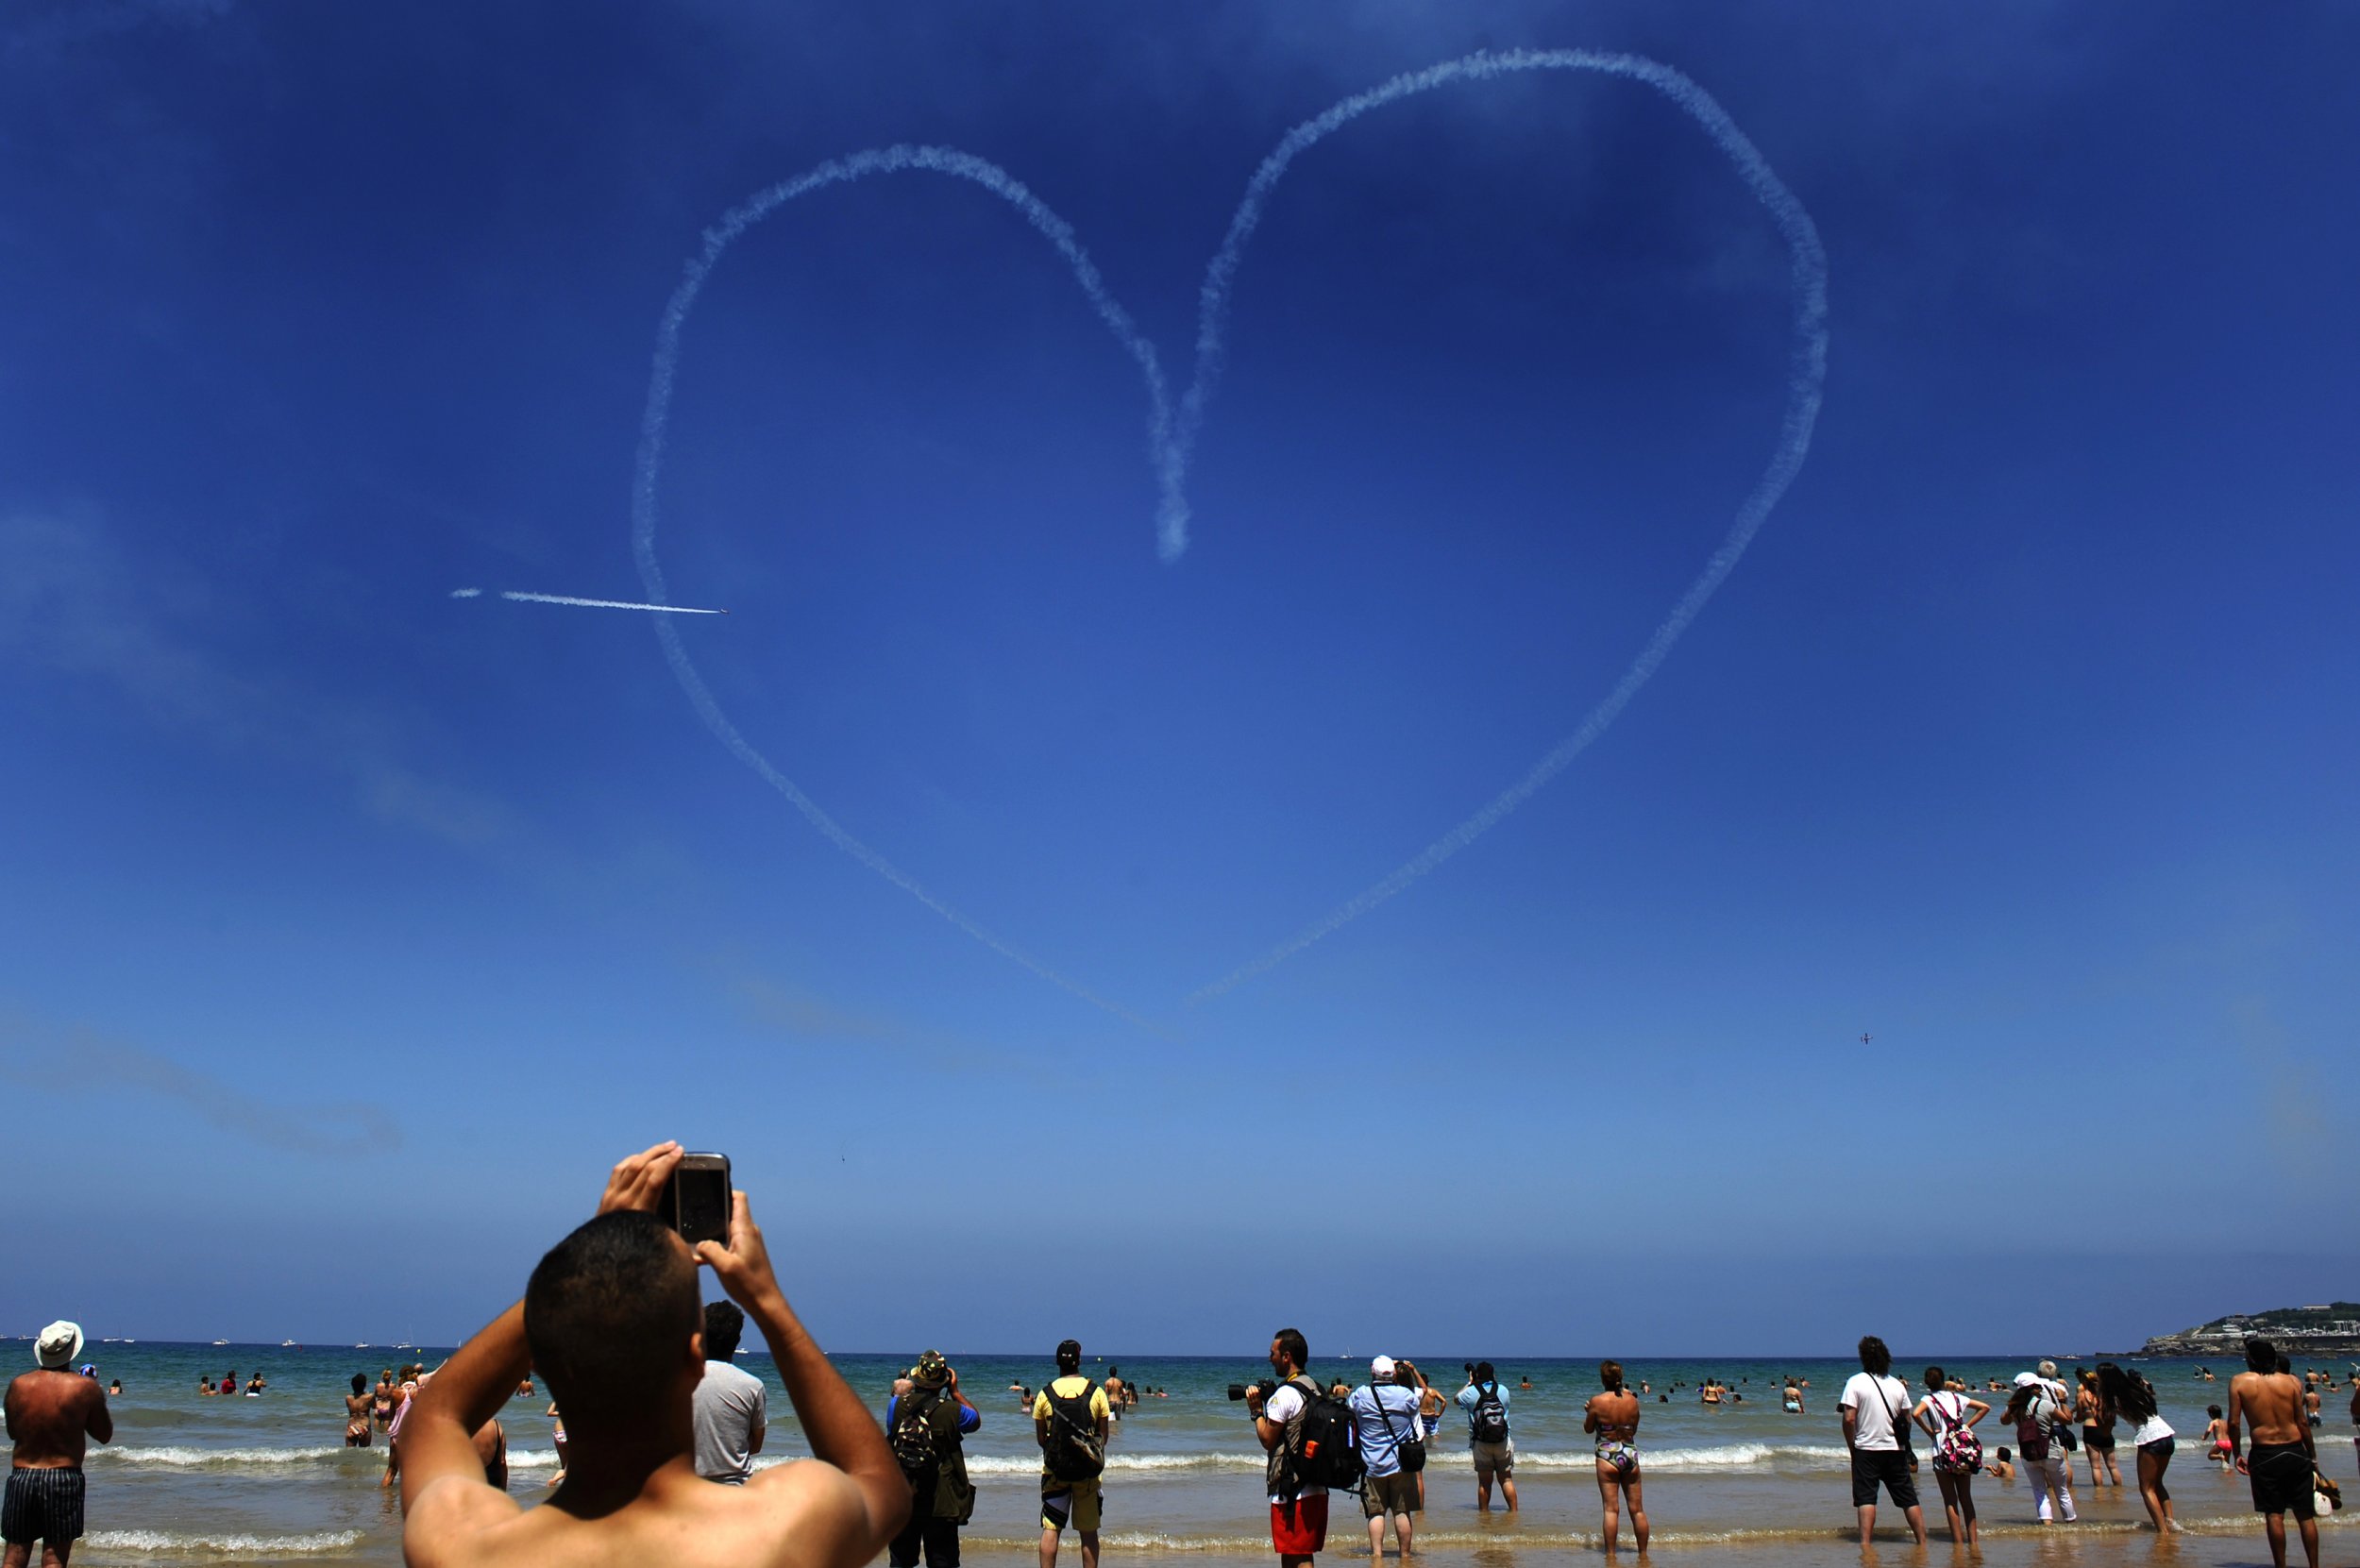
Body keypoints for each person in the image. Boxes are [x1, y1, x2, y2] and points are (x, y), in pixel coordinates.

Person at [393, 1143, 908, 1568]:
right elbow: (878, 1483)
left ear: (543, 1364)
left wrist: (590, 1252)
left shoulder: (467, 1547)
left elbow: (436, 1416)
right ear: (696, 1358)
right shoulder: (782, 1532)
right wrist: (766, 1301)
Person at [4, 1323, 112, 1568]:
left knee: (14, 1554)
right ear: (72, 1350)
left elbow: (13, 1432)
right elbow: (104, 1435)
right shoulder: (85, 1387)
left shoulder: (18, 1385)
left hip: (22, 1475)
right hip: (63, 1476)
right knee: (54, 1558)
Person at [2229, 1336, 2318, 1568]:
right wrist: (2312, 1455)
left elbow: (2234, 1423)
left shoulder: (2239, 1382)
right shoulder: (2292, 1382)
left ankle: (2281, 1566)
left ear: (2251, 1359)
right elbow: (2302, 1423)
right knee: (2305, 1515)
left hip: (2265, 1453)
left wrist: (2236, 1453)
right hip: (2295, 1449)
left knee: (2274, 1514)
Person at [886, 1352, 979, 1568]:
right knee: (942, 1561)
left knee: (900, 1561)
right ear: (944, 1379)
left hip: (904, 1493)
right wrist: (955, 1391)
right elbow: (975, 1420)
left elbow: (891, 1431)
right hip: (942, 1498)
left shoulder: (896, 1405)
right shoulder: (954, 1411)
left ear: (917, 1377)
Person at [1244, 1329, 1325, 1568]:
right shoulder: (1315, 1388)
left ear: (1286, 1356)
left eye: (1273, 1354)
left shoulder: (1287, 1393)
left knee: (1297, 1555)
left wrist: (1257, 1411)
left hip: (1293, 1489)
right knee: (1298, 1552)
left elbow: (1268, 1439)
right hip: (1316, 1483)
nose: (1270, 1358)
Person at [1839, 1336, 1925, 1547]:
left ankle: (1866, 1544)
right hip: (1895, 1448)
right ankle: (1922, 1542)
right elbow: (1907, 1418)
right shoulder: (1897, 1384)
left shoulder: (1855, 1382)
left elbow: (1849, 1418)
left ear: (1863, 1357)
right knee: (1908, 1498)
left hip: (1866, 1448)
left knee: (1867, 1498)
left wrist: (1852, 1446)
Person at [1032, 1340, 1109, 1568]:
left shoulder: (1044, 1395)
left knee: (1051, 1530)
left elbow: (1041, 1440)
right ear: (1079, 1360)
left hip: (1055, 1473)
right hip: (1088, 1477)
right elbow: (1103, 1437)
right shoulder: (1096, 1393)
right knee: (1088, 1533)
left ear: (1057, 1362)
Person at [1347, 1357, 1422, 1562]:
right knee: (1402, 1512)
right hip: (1401, 1464)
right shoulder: (1405, 1395)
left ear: (1372, 1371)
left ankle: (1377, 1557)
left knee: (1376, 1513)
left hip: (1371, 1464)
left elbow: (1349, 1407)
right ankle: (1405, 1556)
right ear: (1394, 1374)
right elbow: (1416, 1406)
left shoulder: (1362, 1394)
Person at [691, 1302, 767, 1485]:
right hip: (735, 1489)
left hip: (689, 1489)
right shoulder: (752, 1385)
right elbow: (755, 1446)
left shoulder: (680, 1382)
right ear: (737, 1339)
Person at [2096, 1362, 2177, 1534]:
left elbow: (2105, 1429)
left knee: (2146, 1489)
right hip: (2167, 1435)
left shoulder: (2113, 1399)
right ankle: (2170, 1523)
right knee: (2158, 1484)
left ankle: (2162, 1531)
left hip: (2150, 1438)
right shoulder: (2137, 1389)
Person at [1912, 1365, 1987, 1548]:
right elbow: (1985, 1407)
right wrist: (1966, 1426)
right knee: (1966, 1498)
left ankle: (1958, 1542)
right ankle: (1973, 1542)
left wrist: (1931, 1432)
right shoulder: (1956, 1397)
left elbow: (1915, 1413)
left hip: (1942, 1452)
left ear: (1926, 1383)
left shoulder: (1928, 1399)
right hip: (1963, 1451)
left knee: (1950, 1500)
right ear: (1944, 1380)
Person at [1583, 1360, 1646, 1555]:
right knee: (1637, 1510)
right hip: (1628, 1452)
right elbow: (1633, 1428)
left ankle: (1610, 1555)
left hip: (1606, 1454)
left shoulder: (1597, 1401)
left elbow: (1588, 1429)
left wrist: (1589, 1412)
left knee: (1611, 1510)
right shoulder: (1633, 1400)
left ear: (1603, 1379)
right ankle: (1643, 1555)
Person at [2000, 1372, 2077, 1525]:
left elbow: (2004, 1421)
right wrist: (2062, 1401)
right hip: (2052, 1451)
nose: (2041, 1388)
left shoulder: (2015, 1408)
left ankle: (2047, 1527)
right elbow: (2068, 1420)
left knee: (2039, 1492)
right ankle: (2070, 1525)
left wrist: (2011, 1405)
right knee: (2061, 1491)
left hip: (2028, 1454)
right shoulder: (2045, 1405)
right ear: (2031, 1388)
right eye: (2037, 1386)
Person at [1456, 1361, 1516, 1512]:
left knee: (1484, 1482)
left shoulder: (1470, 1392)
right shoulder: (1503, 1390)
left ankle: (1484, 1515)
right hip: (1503, 1440)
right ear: (1493, 1374)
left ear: (1477, 1375)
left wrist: (1470, 1383)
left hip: (1481, 1442)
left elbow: (1456, 1399)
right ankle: (1514, 1514)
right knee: (1506, 1479)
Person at [346, 1374, 376, 1448]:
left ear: (352, 1385)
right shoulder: (370, 1396)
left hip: (352, 1426)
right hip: (364, 1426)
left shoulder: (348, 1398)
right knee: (364, 1454)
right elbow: (374, 1406)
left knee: (350, 1454)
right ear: (364, 1385)